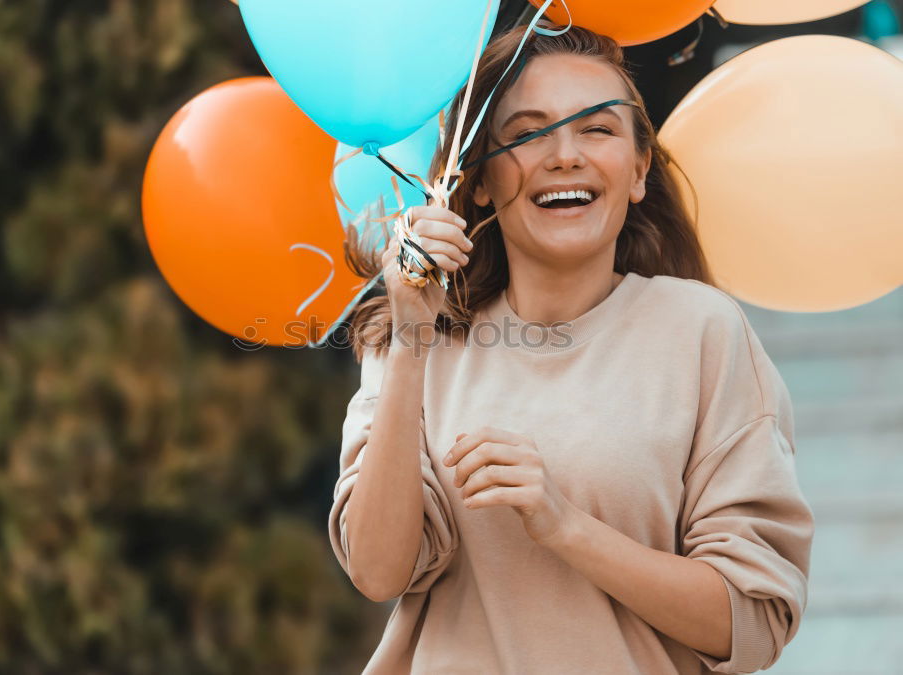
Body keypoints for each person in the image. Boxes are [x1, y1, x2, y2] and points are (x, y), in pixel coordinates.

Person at [328, 22, 814, 675]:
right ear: (477, 182)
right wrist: (413, 332)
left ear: (639, 170)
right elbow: (378, 569)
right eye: (529, 132)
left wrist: (565, 525)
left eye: (597, 128)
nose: (565, 155)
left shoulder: (703, 332)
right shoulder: (414, 335)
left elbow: (753, 619)